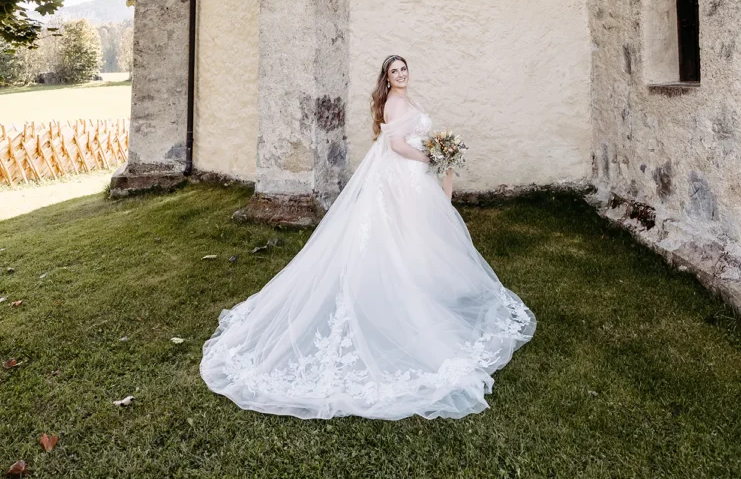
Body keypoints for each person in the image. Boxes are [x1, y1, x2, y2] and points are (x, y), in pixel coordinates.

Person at [200, 55, 536, 420]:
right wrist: (431, 155)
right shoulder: (393, 103)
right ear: (387, 79)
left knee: (421, 236)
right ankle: (407, 293)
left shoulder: (409, 99)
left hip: (414, 175)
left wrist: (437, 152)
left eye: (404, 68)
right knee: (404, 235)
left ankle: (426, 286)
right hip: (408, 173)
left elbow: (412, 137)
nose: (402, 74)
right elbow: (396, 146)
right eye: (395, 71)